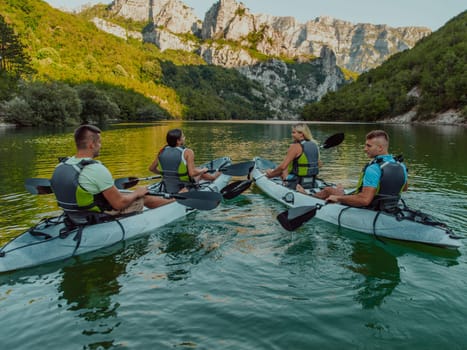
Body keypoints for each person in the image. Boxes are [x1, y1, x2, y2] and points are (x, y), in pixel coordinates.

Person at [50, 124, 171, 221]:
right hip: (94, 215)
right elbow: (119, 203)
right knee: (143, 197)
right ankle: (173, 204)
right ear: (92, 145)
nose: (100, 145)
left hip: (73, 215)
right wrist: (136, 193)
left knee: (121, 194)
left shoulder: (61, 165)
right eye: (99, 142)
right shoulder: (96, 169)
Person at [314, 129, 408, 209]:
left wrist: (338, 198)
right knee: (339, 189)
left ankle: (306, 197)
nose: (365, 149)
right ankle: (339, 191)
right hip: (388, 206)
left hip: (369, 207)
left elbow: (364, 200)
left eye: (368, 146)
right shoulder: (401, 165)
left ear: (380, 148)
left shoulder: (373, 168)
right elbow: (404, 188)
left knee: (328, 190)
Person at [148, 128, 221, 193]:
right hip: (184, 187)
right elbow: (192, 173)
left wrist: (165, 173)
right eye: (183, 136)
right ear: (178, 141)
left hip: (167, 187)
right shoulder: (188, 152)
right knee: (200, 172)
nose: (184, 138)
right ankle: (214, 177)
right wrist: (203, 170)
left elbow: (151, 169)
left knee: (197, 170)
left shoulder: (162, 151)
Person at [265, 123, 321, 189]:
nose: (292, 135)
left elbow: (282, 167)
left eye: (294, 133)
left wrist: (270, 174)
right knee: (288, 167)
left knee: (283, 169)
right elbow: (319, 165)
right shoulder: (314, 145)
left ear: (301, 134)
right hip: (312, 182)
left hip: (296, 183)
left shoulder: (295, 146)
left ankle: (285, 183)